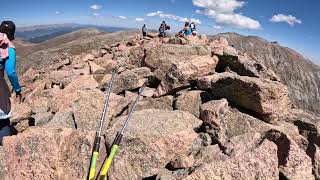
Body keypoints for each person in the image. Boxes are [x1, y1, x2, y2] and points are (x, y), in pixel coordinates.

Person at [0, 21, 22, 144]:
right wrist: (18, 90)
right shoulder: (8, 46)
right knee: (3, 119)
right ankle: (6, 151)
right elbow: (11, 72)